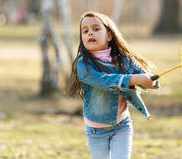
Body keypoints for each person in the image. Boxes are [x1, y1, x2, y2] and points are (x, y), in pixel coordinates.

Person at [66, 11, 160, 159]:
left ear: (109, 35)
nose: (90, 33)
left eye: (96, 29)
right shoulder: (83, 65)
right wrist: (136, 79)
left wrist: (150, 81)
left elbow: (141, 75)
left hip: (122, 126)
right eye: (85, 31)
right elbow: (105, 81)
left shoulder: (123, 59)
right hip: (96, 130)